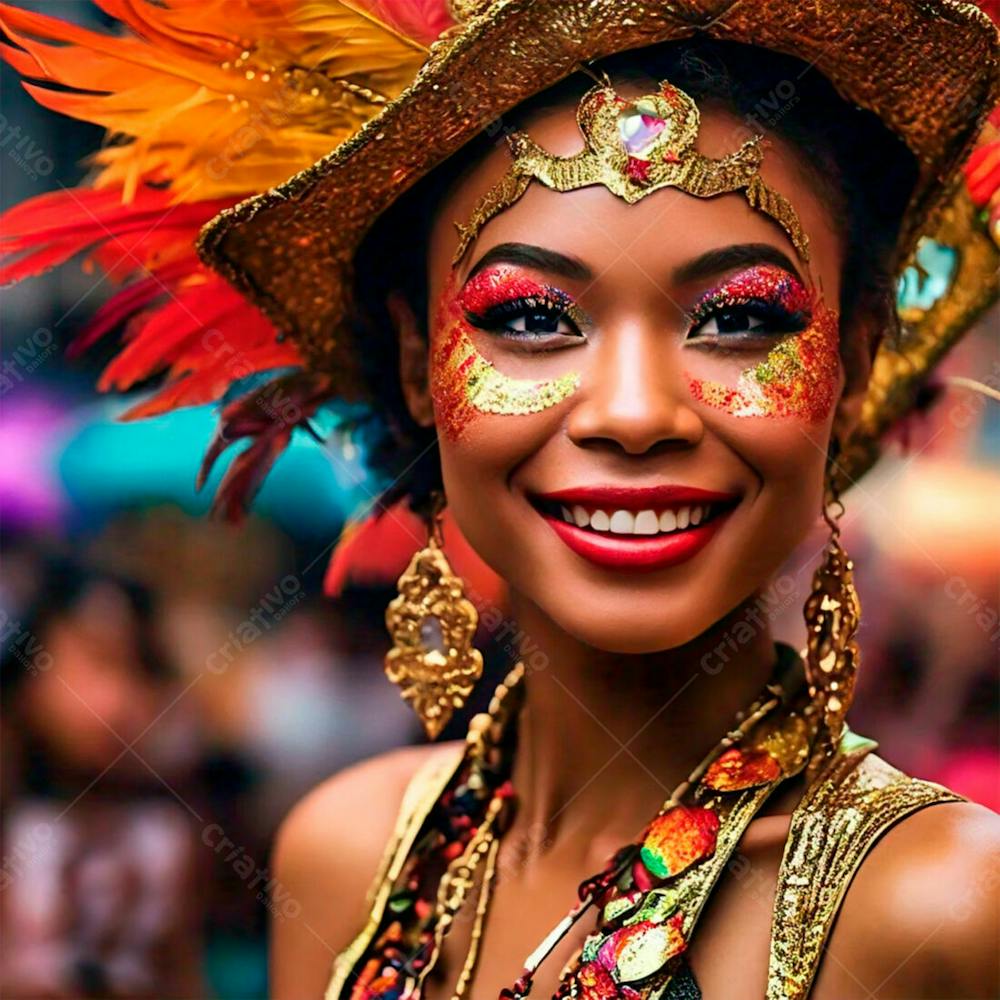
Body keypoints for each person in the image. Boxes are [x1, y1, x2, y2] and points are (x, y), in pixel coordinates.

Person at [1, 1, 998, 997]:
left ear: (856, 361)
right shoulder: (340, 859)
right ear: (410, 361)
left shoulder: (935, 907)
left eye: (737, 318)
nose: (636, 412)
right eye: (529, 316)